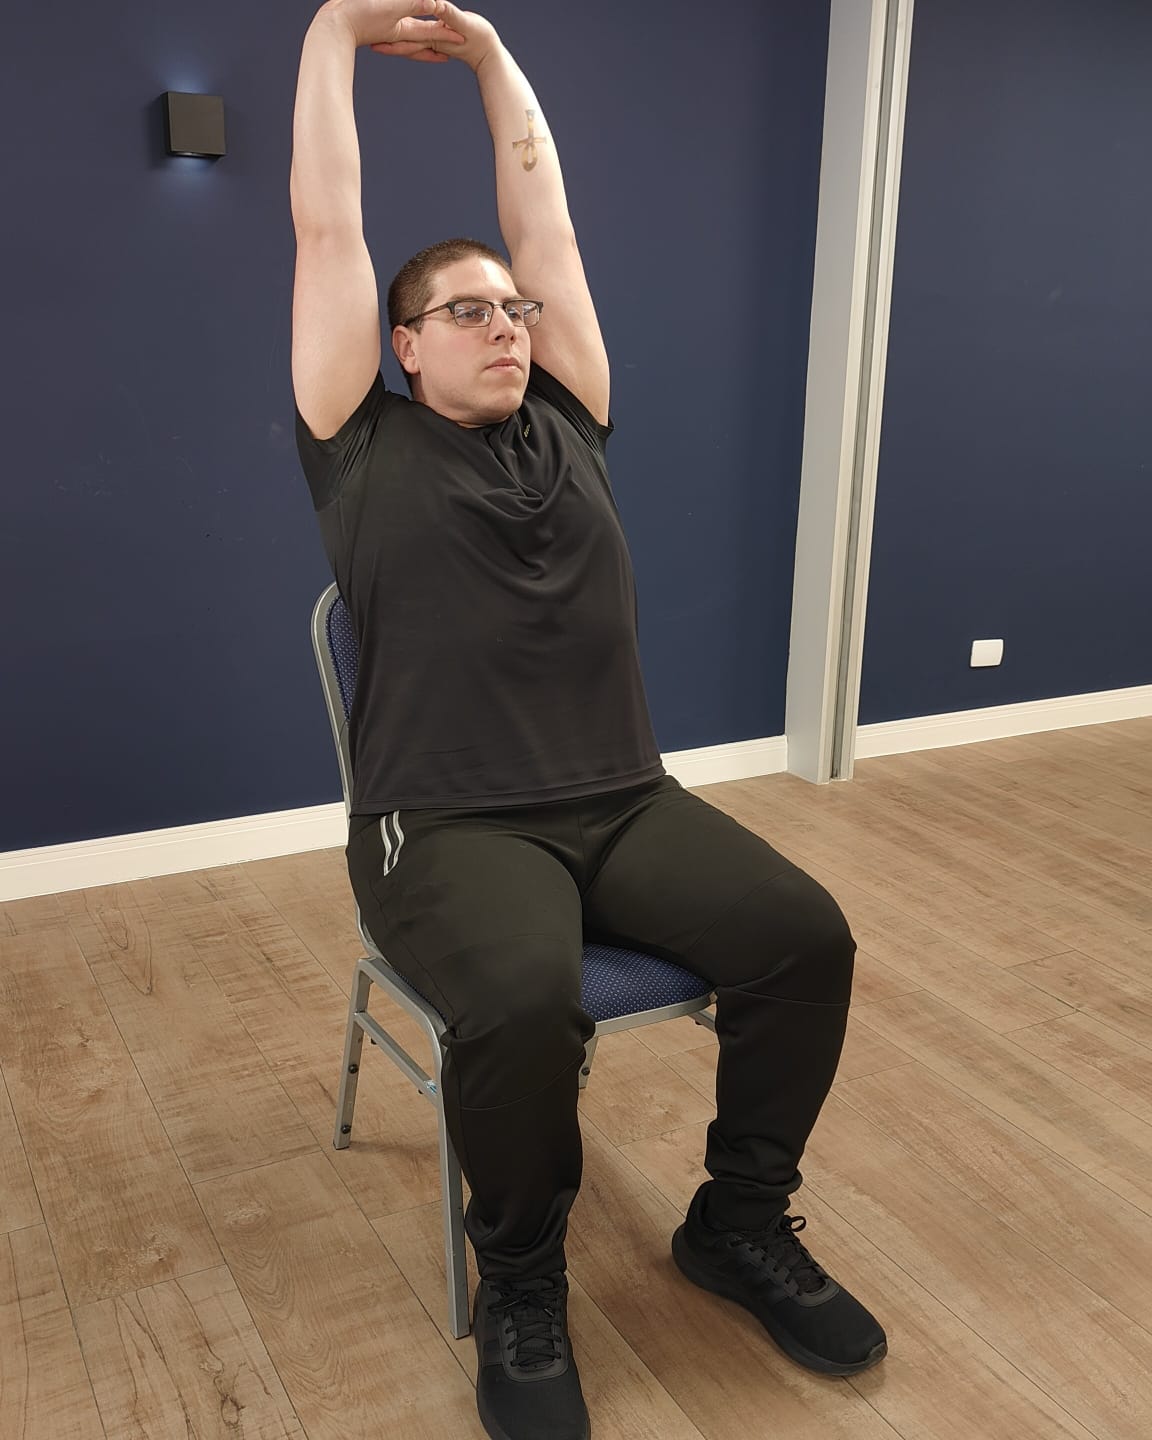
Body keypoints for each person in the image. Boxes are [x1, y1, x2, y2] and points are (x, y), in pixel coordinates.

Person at [290, 4, 886, 1437]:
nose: (505, 325)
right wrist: (332, 30)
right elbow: (326, 224)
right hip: (444, 824)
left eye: (515, 311)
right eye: (466, 312)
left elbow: (544, 223)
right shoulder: (356, 443)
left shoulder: (572, 417)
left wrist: (493, 57)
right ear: (402, 345)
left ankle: (737, 1223)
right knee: (522, 1004)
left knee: (806, 938)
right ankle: (524, 1287)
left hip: (620, 800)